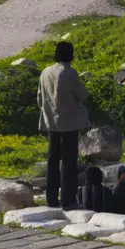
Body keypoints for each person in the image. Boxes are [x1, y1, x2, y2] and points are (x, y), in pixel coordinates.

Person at [35, 40, 90, 210]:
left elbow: (39, 98)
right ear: (70, 55)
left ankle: (51, 198)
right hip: (68, 123)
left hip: (50, 122)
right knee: (68, 162)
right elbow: (83, 94)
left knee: (52, 160)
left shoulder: (45, 72)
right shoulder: (69, 73)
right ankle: (68, 199)